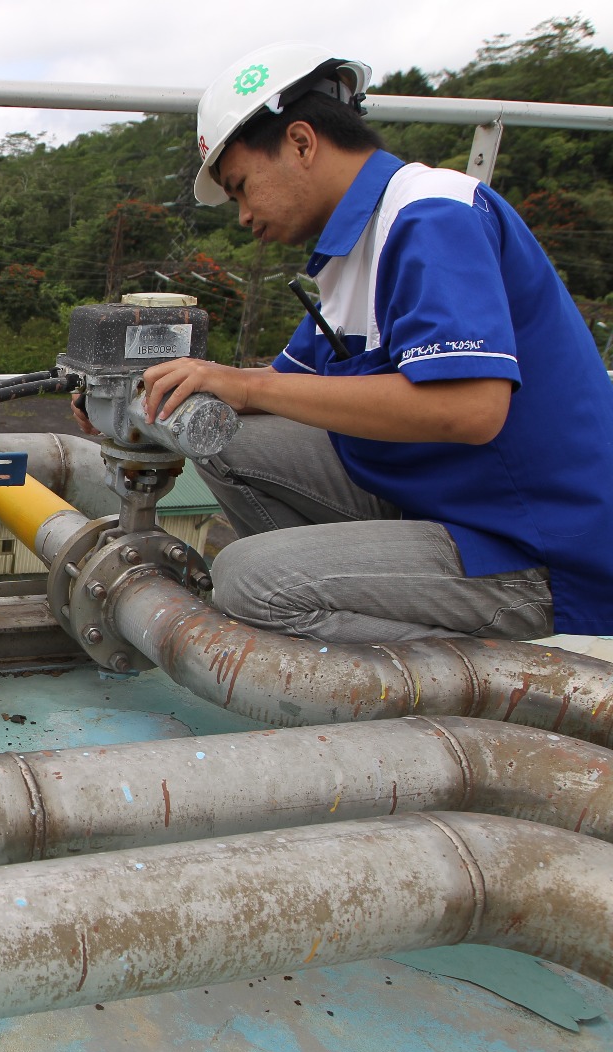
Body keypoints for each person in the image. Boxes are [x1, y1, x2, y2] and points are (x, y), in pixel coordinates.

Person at [128, 42, 613, 643]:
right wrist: (141, 395)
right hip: (442, 500)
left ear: (302, 143)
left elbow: (470, 408)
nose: (244, 216)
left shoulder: (431, 217)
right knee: (228, 440)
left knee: (250, 581)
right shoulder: (352, 249)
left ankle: (487, 691)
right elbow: (265, 395)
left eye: (242, 187)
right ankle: (330, 607)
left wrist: (248, 382)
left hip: (529, 545)